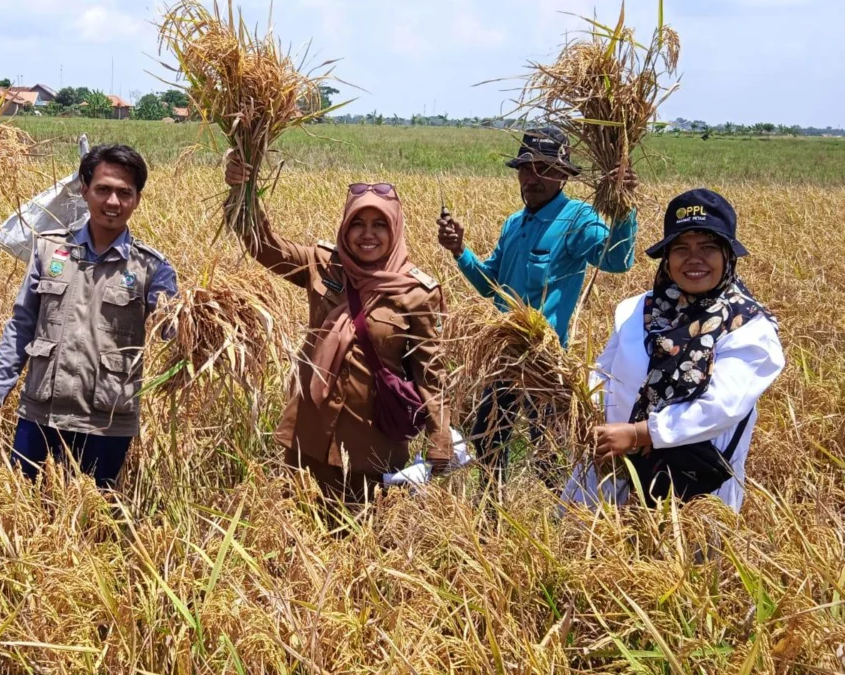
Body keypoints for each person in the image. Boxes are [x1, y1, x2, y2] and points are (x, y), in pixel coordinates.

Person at [224, 154, 454, 503]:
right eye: (357, 223)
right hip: (309, 434)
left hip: (372, 447)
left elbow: (430, 373)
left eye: (380, 224)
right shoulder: (323, 264)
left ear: (395, 228)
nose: (367, 234)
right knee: (299, 532)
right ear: (345, 226)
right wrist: (243, 190)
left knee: (364, 542)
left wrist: (440, 436)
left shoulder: (418, 293)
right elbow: (263, 245)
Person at [563, 189, 784, 512]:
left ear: (727, 255)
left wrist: (639, 433)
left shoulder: (748, 327)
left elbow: (721, 408)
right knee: (596, 554)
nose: (694, 258)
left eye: (708, 247)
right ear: (667, 257)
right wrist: (573, 403)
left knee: (686, 561)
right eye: (681, 248)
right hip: (614, 470)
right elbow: (603, 374)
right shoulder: (637, 310)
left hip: (694, 483)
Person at [437, 126, 639, 477]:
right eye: (527, 168)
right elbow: (491, 286)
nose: (533, 177)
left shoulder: (577, 219)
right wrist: (459, 251)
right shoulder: (515, 223)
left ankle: (562, 518)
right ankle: (490, 517)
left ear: (563, 174)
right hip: (502, 356)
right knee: (488, 441)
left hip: (544, 361)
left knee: (548, 452)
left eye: (544, 168)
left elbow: (617, 261)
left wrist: (624, 209)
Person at [0, 144, 177, 489]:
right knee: (23, 511)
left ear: (137, 199)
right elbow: (22, 326)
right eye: (103, 189)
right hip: (41, 413)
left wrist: (203, 316)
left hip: (107, 421)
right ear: (84, 190)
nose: (113, 202)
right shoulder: (50, 249)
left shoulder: (151, 267)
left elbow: (173, 330)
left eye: (124, 193)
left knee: (94, 519)